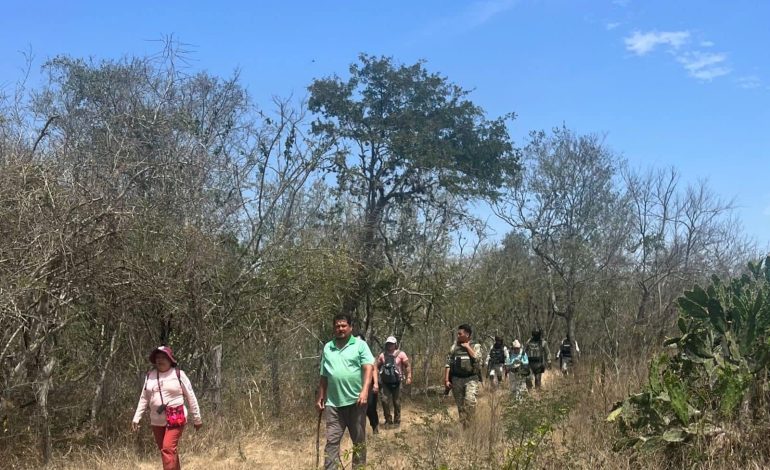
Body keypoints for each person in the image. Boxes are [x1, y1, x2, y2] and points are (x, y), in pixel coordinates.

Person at [316, 314, 375, 470]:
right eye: (337, 326)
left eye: (343, 326)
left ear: (350, 327)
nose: (340, 329)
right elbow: (324, 374)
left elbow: (368, 367)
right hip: (333, 405)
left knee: (359, 442)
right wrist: (321, 396)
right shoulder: (328, 347)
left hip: (356, 402)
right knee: (332, 442)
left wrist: (364, 391)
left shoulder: (360, 345)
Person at [132, 346, 202, 470]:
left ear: (170, 359)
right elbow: (144, 398)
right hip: (156, 421)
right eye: (158, 357)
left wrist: (197, 418)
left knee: (168, 449)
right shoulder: (150, 376)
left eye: (164, 357)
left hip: (176, 417)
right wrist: (137, 417)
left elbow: (191, 396)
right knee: (168, 452)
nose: (160, 360)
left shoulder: (178, 374)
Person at [444, 324, 483, 428]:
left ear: (467, 334)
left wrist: (467, 347)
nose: (458, 335)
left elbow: (477, 359)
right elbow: (448, 364)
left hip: (471, 378)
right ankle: (465, 426)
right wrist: (447, 380)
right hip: (457, 379)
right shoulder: (454, 347)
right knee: (460, 406)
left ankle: (471, 422)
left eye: (460, 333)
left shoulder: (476, 346)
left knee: (470, 401)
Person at [376, 336, 412, 427]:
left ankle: (397, 421)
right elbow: (376, 366)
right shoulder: (382, 355)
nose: (390, 345)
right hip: (385, 383)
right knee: (384, 401)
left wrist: (409, 377)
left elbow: (407, 365)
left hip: (397, 382)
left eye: (392, 344)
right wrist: (377, 378)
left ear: (395, 344)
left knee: (397, 402)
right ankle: (388, 420)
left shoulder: (401, 354)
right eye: (388, 343)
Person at [355, 333, 380, 434]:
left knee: (370, 407)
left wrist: (376, 384)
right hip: (356, 387)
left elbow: (374, 369)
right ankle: (360, 432)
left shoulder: (368, 354)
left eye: (360, 341)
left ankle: (375, 427)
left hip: (369, 386)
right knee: (357, 409)